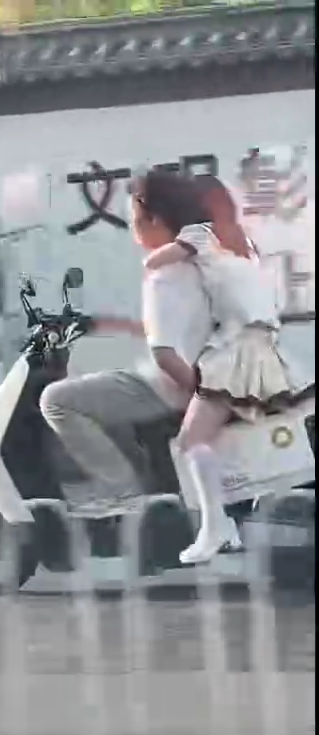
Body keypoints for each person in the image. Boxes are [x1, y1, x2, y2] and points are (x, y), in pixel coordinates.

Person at [136, 170, 309, 564]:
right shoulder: (246, 243)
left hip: (236, 352)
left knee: (191, 440)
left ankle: (216, 527)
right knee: (235, 435)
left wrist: (160, 260)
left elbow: (155, 260)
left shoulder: (199, 235)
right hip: (265, 347)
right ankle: (228, 520)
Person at [40, 170, 218, 512]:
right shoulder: (211, 259)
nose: (133, 230)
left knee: (57, 400)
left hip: (171, 387)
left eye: (134, 219)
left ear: (155, 220)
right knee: (103, 389)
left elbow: (165, 354)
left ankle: (125, 492)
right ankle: (146, 485)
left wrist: (201, 398)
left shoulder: (164, 276)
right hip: (211, 377)